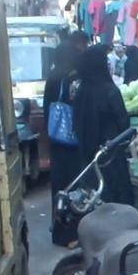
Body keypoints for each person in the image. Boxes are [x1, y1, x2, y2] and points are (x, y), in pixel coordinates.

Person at [72, 44, 134, 205]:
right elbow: (124, 122)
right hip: (111, 155)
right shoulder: (109, 90)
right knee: (116, 200)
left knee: (92, 201)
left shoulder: (81, 92)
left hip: (88, 158)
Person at [46, 30, 90, 247]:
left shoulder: (53, 75)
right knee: (71, 187)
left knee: (58, 188)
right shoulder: (69, 77)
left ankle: (58, 230)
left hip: (55, 140)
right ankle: (69, 234)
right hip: (69, 142)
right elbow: (74, 104)